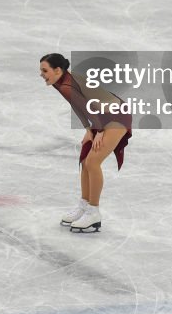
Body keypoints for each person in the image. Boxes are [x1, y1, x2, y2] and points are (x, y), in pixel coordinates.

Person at [39, 53, 131, 233]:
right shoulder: (61, 81)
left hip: (115, 115)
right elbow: (78, 105)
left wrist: (100, 130)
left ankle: (93, 213)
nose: (41, 74)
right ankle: (84, 205)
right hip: (101, 115)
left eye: (45, 70)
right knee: (85, 160)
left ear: (58, 70)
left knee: (92, 162)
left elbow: (87, 106)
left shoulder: (66, 85)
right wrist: (89, 130)